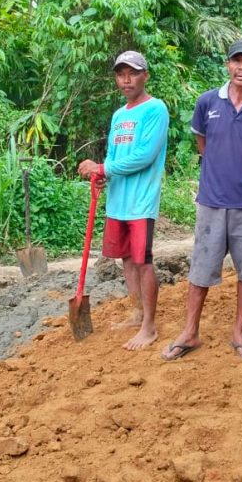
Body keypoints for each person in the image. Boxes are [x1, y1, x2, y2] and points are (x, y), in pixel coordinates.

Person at [161, 38, 242, 361]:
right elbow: (202, 144)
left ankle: (239, 332)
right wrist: (219, 168)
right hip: (211, 201)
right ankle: (190, 332)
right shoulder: (207, 103)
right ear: (227, 64)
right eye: (237, 61)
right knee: (201, 267)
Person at [77, 51, 169, 350]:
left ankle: (149, 327)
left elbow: (144, 156)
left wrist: (103, 168)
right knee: (126, 259)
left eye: (133, 73)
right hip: (118, 202)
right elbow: (115, 157)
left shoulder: (155, 109)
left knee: (143, 262)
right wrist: (105, 176)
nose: (126, 79)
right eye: (120, 73)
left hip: (141, 202)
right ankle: (136, 311)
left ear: (146, 75)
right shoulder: (119, 115)